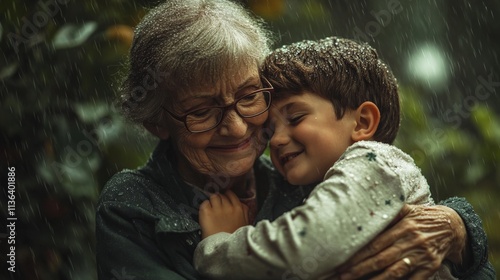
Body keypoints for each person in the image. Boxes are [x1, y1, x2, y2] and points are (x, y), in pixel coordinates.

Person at [95, 0, 494, 279]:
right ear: (156, 122)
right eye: (202, 111)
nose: (235, 128)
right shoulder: (134, 205)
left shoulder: (308, 177)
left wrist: (458, 228)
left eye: (250, 98)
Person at [193, 36, 496, 279]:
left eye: (296, 117)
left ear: (363, 122)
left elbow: (308, 242)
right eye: (270, 129)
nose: (277, 139)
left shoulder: (372, 164)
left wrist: (219, 245)